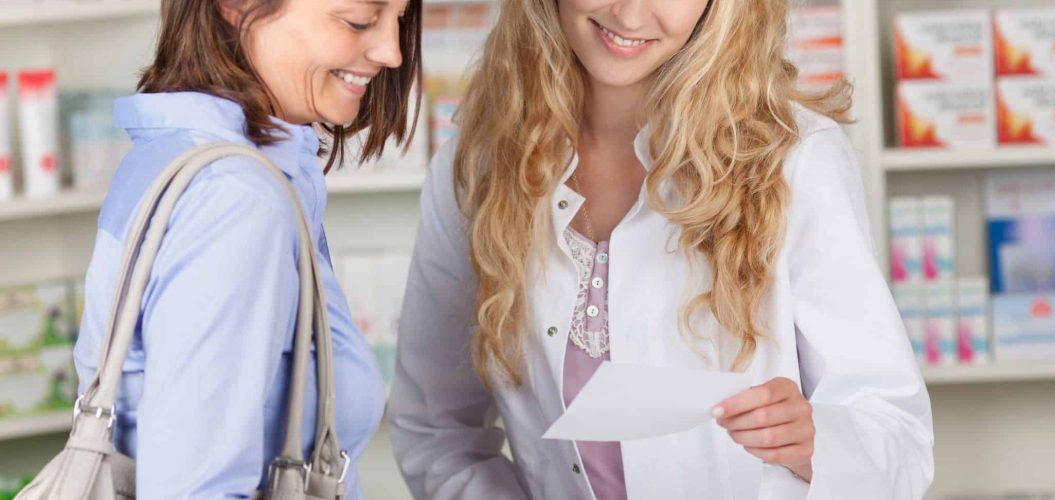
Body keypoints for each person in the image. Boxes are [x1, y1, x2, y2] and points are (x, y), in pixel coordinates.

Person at [389, 0, 933, 496]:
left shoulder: (796, 159)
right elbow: (435, 428)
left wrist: (817, 442)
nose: (628, 14)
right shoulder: (479, 167)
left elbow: (897, 433)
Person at [71, 0, 421, 497]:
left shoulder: (177, 155)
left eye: (400, 22)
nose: (393, 52)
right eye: (359, 20)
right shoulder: (235, 198)